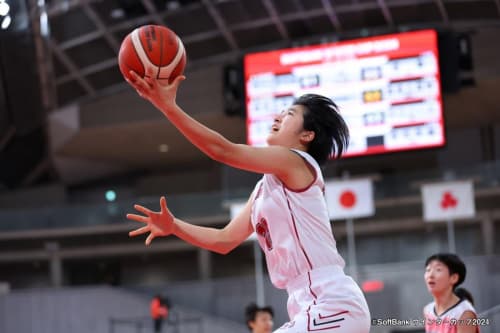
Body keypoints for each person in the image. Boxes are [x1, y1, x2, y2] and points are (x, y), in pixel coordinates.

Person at [125, 68, 370, 333]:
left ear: (306, 136)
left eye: (289, 114)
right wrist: (174, 227)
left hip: (331, 301)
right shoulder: (264, 189)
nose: (277, 117)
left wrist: (168, 107)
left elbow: (222, 150)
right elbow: (224, 240)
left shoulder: (296, 162)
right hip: (304, 303)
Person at [423, 253, 480, 333]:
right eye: (428, 270)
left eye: (438, 270)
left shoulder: (464, 313)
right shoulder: (428, 310)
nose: (430, 275)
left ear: (454, 278)